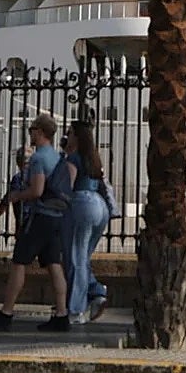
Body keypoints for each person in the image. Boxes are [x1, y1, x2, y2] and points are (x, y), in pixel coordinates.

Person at [0, 113, 74, 332]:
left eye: (32, 129)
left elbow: (37, 190)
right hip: (57, 217)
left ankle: (6, 312)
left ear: (40, 132)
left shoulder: (40, 158)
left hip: (41, 217)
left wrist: (17, 196)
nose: (29, 132)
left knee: (19, 261)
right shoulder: (57, 157)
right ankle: (62, 314)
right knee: (54, 264)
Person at [62, 120, 110, 324]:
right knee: (82, 257)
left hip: (80, 204)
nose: (67, 135)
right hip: (99, 206)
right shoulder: (94, 159)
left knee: (74, 257)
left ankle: (76, 309)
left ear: (77, 137)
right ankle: (95, 290)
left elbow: (67, 186)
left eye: (70, 132)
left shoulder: (73, 159)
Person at [0, 145, 33, 238]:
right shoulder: (40, 176)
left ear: (18, 162)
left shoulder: (19, 178)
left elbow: (7, 200)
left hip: (24, 221)